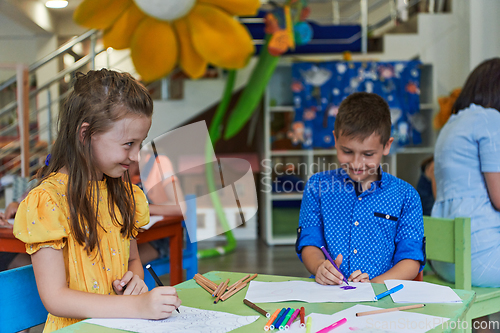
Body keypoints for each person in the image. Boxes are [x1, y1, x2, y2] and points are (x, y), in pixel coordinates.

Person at [13, 69, 181, 333]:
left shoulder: (124, 195)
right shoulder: (48, 201)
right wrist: (137, 307)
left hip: (122, 326)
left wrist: (135, 283)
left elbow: (133, 262)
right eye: (128, 143)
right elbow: (55, 298)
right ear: (85, 135)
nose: (136, 155)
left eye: (140, 143)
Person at [296, 92, 425, 285]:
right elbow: (309, 242)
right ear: (335, 140)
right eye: (347, 151)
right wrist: (319, 267)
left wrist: (373, 285)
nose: (357, 163)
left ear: (387, 145)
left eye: (368, 154)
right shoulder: (317, 187)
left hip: (381, 299)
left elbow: (411, 259)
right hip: (327, 295)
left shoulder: (406, 196)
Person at [431, 58, 500, 289]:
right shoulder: (490, 119)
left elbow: (435, 184)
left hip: (445, 259)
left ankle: (482, 327)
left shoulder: (450, 125)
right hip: (480, 258)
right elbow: (499, 198)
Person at [128, 156, 185, 264]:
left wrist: (143, 208)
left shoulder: (160, 163)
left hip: (163, 237)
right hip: (135, 236)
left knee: (125, 264)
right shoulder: (122, 170)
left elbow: (180, 208)